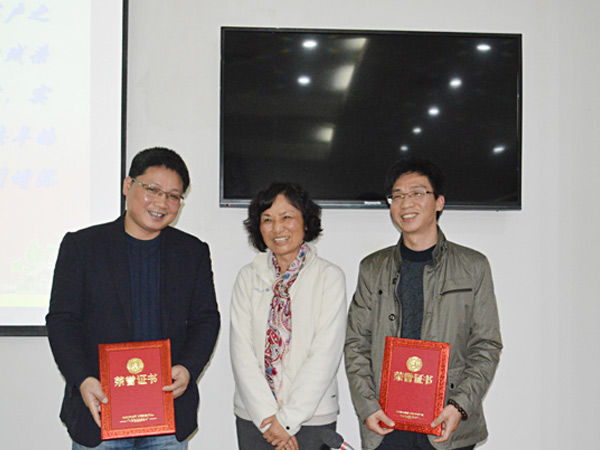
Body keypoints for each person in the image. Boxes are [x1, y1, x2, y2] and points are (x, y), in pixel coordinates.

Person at [46, 147, 221, 449]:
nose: (162, 203)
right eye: (152, 189)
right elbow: (62, 321)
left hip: (167, 415)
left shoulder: (192, 252)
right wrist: (82, 379)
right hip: (100, 411)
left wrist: (188, 368)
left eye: (173, 196)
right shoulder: (82, 246)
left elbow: (206, 319)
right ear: (128, 185)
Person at [344, 158, 502, 450]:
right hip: (386, 425)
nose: (406, 203)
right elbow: (356, 344)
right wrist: (367, 407)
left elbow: (486, 345)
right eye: (398, 196)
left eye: (417, 193)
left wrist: (459, 406)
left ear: (439, 202)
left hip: (447, 423)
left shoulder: (473, 266)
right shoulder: (372, 268)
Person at [230, 182, 347, 450]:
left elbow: (325, 353)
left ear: (306, 222)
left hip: (313, 416)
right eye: (267, 219)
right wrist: (269, 420)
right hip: (255, 417)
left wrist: (287, 422)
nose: (277, 228)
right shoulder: (247, 277)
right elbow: (241, 351)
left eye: (287, 217)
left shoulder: (329, 277)